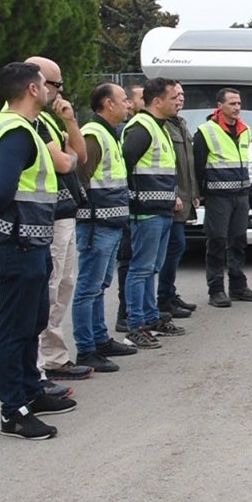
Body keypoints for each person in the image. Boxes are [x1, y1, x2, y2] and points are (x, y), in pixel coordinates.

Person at [0, 62, 77, 439]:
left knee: (33, 321)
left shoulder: (24, 128)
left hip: (32, 241)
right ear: (32, 89)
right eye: (46, 84)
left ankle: (31, 391)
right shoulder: (16, 132)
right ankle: (13, 412)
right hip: (17, 244)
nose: (50, 91)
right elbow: (3, 188)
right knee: (15, 330)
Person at [27, 56, 96, 390]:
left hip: (66, 211)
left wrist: (70, 122)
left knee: (63, 286)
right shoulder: (32, 122)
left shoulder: (52, 120)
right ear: (36, 83)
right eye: (55, 85)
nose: (60, 92)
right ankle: (40, 364)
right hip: (48, 215)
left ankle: (54, 357)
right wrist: (67, 156)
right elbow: (64, 163)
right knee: (50, 289)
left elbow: (79, 156)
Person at [71, 82, 138, 373]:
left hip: (110, 222)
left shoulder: (109, 134)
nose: (128, 105)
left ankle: (100, 339)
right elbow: (79, 180)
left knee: (99, 286)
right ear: (108, 104)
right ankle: (86, 349)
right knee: (88, 288)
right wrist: (91, 215)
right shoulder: (93, 134)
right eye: (123, 100)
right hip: (97, 224)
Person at [122, 77, 185, 348]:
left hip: (161, 207)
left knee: (151, 269)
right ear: (157, 101)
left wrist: (172, 198)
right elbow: (123, 165)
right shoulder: (141, 127)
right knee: (141, 269)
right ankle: (135, 324)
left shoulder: (159, 126)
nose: (179, 101)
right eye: (174, 97)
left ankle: (150, 317)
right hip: (145, 211)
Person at [193, 87, 252, 307]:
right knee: (217, 242)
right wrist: (201, 194)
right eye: (232, 104)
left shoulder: (245, 130)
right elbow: (198, 166)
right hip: (218, 197)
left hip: (241, 195)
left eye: (239, 103)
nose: (237, 108)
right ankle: (216, 290)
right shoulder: (206, 131)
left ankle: (238, 286)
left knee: (239, 242)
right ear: (219, 106)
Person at [157, 82, 200, 318]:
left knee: (176, 247)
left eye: (182, 95)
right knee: (173, 248)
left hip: (184, 196)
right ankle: (163, 298)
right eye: (175, 96)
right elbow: (164, 165)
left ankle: (169, 293)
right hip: (171, 198)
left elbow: (188, 162)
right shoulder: (161, 127)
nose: (180, 99)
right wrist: (173, 193)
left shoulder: (180, 123)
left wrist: (194, 192)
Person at [115, 82, 146, 333]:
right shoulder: (131, 129)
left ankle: (142, 310)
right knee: (130, 260)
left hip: (134, 204)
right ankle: (125, 313)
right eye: (139, 98)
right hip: (130, 205)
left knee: (143, 263)